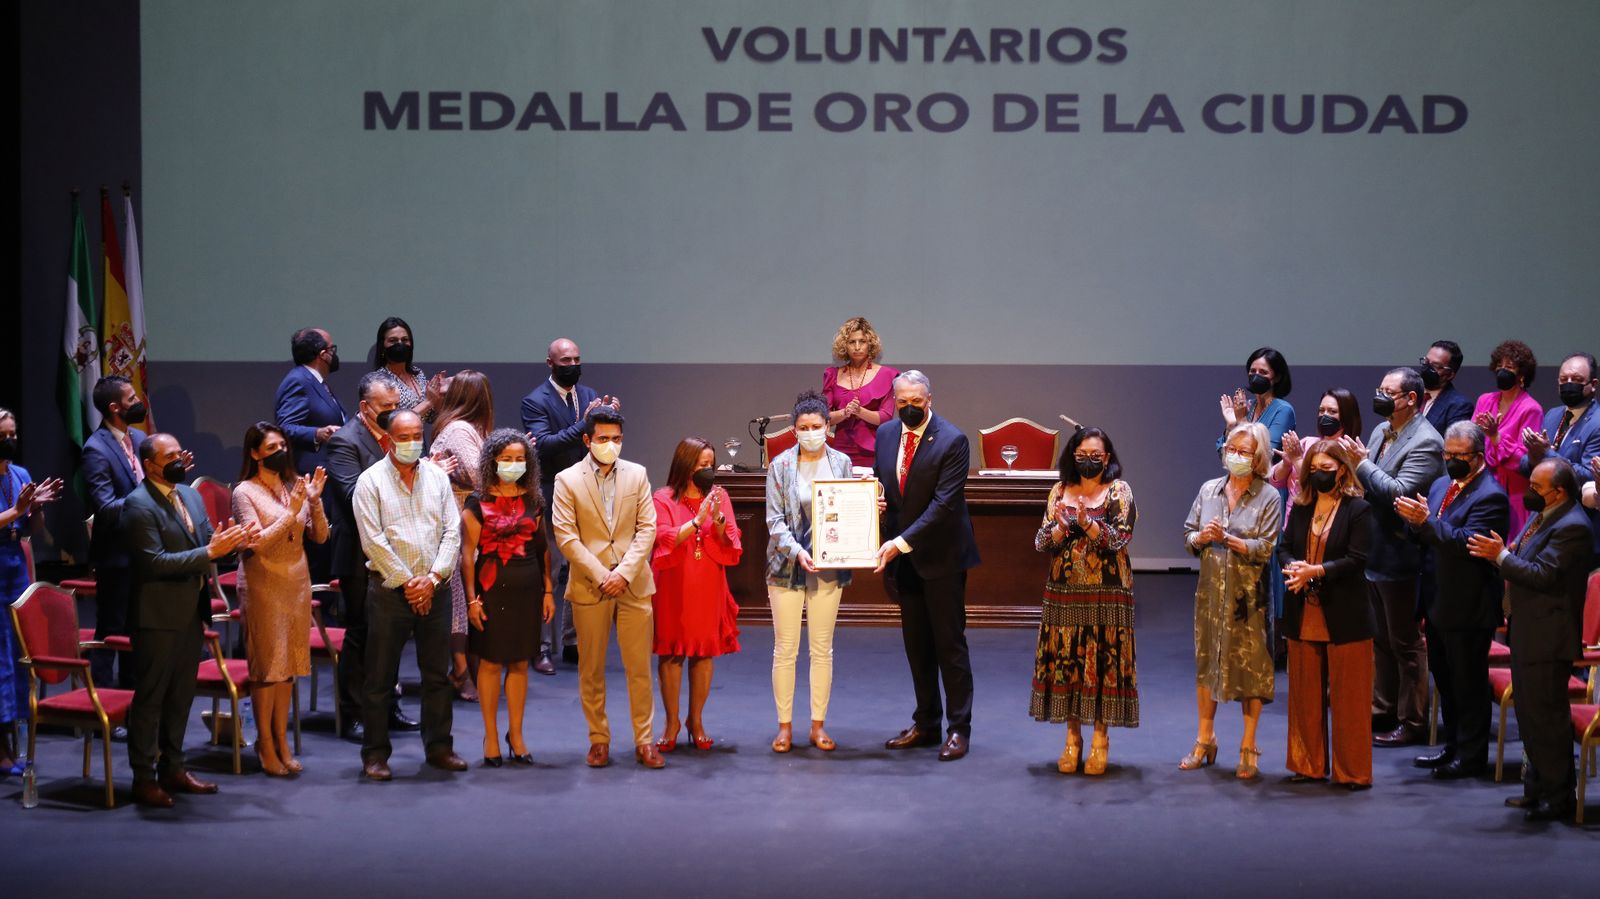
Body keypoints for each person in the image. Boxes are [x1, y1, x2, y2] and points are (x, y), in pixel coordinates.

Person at [123, 433, 259, 807]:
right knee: (152, 699)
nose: (178, 460)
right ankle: (143, 777)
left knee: (181, 695)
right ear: (149, 465)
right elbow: (154, 563)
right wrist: (210, 550)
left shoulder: (191, 495)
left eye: (179, 453)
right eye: (169, 456)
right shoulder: (137, 506)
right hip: (157, 616)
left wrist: (230, 542)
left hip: (190, 612)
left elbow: (207, 542)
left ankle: (174, 767)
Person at [1468, 458, 1596, 822]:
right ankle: (1536, 789)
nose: (1531, 492)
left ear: (1559, 492)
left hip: (1549, 636)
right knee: (1530, 716)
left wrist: (1502, 556)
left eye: (1537, 488)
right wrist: (1504, 554)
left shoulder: (1573, 527)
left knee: (1548, 720)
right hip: (1529, 631)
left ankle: (1558, 798)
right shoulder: (1546, 518)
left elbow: (1542, 575)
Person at [352, 410, 466, 781]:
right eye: (405, 436)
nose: (413, 441)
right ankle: (375, 754)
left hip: (436, 588)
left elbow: (452, 531)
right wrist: (410, 584)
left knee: (437, 675)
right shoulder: (370, 482)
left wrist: (431, 579)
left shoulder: (436, 477)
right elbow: (373, 542)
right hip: (390, 593)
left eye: (418, 434)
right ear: (388, 439)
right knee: (380, 678)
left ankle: (439, 747)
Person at [874, 370, 980, 762]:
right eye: (902, 402)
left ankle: (959, 729)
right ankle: (927, 722)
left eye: (916, 402)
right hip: (903, 561)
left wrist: (899, 543)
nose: (909, 408)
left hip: (942, 558)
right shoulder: (885, 435)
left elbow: (944, 505)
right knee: (916, 646)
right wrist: (877, 506)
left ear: (929, 399)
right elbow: (884, 488)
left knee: (949, 645)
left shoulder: (953, 440)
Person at [1395, 421, 1509, 780]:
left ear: (1477, 457)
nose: (1450, 460)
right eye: (1447, 453)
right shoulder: (1442, 484)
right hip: (1437, 599)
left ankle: (1472, 757)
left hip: (1468, 605)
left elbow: (1467, 544)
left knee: (1468, 685)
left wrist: (1425, 523)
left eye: (1458, 456)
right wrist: (1415, 525)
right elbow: (1428, 534)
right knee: (1445, 681)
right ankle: (1453, 747)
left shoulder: (1491, 495)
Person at [551, 407, 663, 769]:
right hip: (590, 584)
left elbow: (648, 528)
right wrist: (603, 575)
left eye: (616, 439)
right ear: (587, 440)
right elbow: (566, 537)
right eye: (603, 439)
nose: (610, 445)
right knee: (592, 670)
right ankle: (598, 739)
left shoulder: (638, 475)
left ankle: (644, 740)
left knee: (639, 669)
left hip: (632, 583)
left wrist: (624, 573)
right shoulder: (567, 480)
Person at [1337, 367, 1443, 748]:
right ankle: (1382, 707)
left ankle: (1412, 720)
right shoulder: (1382, 430)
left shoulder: (1427, 442)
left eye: (1388, 391)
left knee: (1405, 642)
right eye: (1379, 388)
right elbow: (1366, 484)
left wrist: (1362, 464)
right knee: (1379, 638)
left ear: (1411, 399)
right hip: (1373, 548)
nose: (1380, 396)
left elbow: (1398, 492)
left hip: (1401, 554)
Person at [1030, 427, 1138, 776]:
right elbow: (1042, 542)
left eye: (1096, 454)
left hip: (1107, 594)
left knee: (1103, 666)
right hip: (1064, 592)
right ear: (1072, 455)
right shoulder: (1059, 490)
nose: (1088, 459)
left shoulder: (1119, 491)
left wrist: (1086, 523)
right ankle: (1072, 739)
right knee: (1069, 663)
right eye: (1081, 453)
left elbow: (1119, 539)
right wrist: (1062, 527)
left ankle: (1100, 740)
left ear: (1107, 458)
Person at [1182, 422, 1281, 780]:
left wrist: (1230, 539)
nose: (1236, 456)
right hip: (1210, 594)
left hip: (1248, 598)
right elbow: (1188, 534)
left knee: (1251, 670)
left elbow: (1266, 548)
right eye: (1232, 449)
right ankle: (1204, 738)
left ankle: (1249, 744)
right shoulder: (1209, 490)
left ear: (1258, 459)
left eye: (1244, 451)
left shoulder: (1268, 496)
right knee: (1207, 663)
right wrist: (1202, 537)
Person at [230, 422, 329, 776]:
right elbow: (256, 543)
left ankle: (283, 740)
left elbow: (319, 536)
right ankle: (265, 744)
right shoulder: (245, 492)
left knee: (287, 668)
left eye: (282, 446)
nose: (279, 453)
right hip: (264, 583)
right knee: (268, 667)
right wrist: (291, 513)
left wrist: (313, 503)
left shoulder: (294, 486)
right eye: (271, 448)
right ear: (255, 453)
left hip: (297, 581)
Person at [324, 370, 417, 741]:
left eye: (397, 406)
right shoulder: (345, 443)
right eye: (386, 407)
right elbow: (352, 499)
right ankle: (353, 714)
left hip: (399, 550)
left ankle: (387, 708)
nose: (393, 413)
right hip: (359, 554)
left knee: (392, 635)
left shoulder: (397, 440)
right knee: (362, 635)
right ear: (365, 407)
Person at [765, 390, 856, 753]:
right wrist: (799, 552)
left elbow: (850, 512)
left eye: (817, 426)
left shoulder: (842, 463)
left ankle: (818, 725)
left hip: (829, 567)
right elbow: (774, 521)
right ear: (794, 429)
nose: (811, 431)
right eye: (803, 427)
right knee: (785, 649)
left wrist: (871, 509)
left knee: (822, 649)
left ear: (827, 427)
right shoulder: (780, 466)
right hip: (786, 565)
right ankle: (784, 726)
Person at [521, 337, 618, 674]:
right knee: (549, 570)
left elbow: (599, 440)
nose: (573, 365)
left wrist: (607, 417)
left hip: (587, 493)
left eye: (577, 358)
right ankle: (542, 648)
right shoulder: (534, 401)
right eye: (566, 360)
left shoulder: (589, 396)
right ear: (550, 363)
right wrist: (585, 424)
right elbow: (544, 446)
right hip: (550, 493)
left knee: (580, 567)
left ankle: (572, 642)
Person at [1280, 440, 1373, 790]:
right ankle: (1307, 765)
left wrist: (1314, 572)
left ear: (1343, 471)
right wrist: (1294, 568)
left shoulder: (1358, 509)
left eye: (1326, 470)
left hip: (1346, 614)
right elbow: (1284, 548)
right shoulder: (1302, 507)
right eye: (1314, 469)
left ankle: (1352, 772)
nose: (1319, 474)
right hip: (1303, 610)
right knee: (1304, 695)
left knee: (1350, 699)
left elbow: (1358, 559)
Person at [462, 429, 552, 768]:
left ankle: (516, 735)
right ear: (493, 461)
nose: (514, 465)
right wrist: (472, 600)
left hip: (528, 591)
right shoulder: (477, 501)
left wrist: (547, 591)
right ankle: (490, 735)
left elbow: (542, 549)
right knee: (491, 662)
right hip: (490, 592)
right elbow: (466, 555)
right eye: (506, 459)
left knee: (519, 662)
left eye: (519, 459)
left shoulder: (534, 500)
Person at [650, 437, 741, 753]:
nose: (707, 470)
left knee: (703, 651)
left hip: (707, 581)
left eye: (710, 464)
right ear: (685, 464)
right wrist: (697, 520)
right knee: (672, 651)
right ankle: (671, 721)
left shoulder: (720, 496)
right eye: (702, 464)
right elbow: (663, 536)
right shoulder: (663, 498)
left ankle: (696, 720)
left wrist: (716, 524)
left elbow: (730, 539)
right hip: (674, 581)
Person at [0, 409, 63, 774]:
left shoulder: (20, 474)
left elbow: (31, 530)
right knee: (1, 659)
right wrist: (17, 509)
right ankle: (2, 743)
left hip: (15, 570)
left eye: (13, 432)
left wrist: (36, 508)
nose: (10, 439)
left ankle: (18, 732)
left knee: (18, 653)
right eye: (3, 434)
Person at [431, 369, 497, 701]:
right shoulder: (459, 430)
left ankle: (465, 667)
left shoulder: (470, 429)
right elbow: (479, 476)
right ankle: (458, 671)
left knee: (465, 594)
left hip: (468, 522)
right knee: (458, 597)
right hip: (455, 522)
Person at [82, 375, 149, 691]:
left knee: (137, 630)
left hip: (144, 552)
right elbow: (106, 507)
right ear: (114, 407)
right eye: (132, 399)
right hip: (116, 556)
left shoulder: (136, 438)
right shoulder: (95, 449)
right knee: (111, 632)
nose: (138, 403)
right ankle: (103, 706)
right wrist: (150, 494)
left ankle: (132, 702)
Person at [1520, 352, 1600, 552]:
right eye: (1564, 380)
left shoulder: (1598, 423)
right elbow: (1526, 467)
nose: (1569, 384)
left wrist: (1547, 453)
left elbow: (1589, 477)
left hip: (1577, 523)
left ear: (1594, 384)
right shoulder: (1553, 414)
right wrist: (1533, 454)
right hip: (1543, 516)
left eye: (1577, 380)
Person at [1472, 339, 1542, 533]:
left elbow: (1525, 459)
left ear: (1522, 375)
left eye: (1509, 367)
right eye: (1499, 366)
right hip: (1483, 487)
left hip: (1514, 493)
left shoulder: (1531, 409)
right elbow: (1473, 440)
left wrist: (1496, 437)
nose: (1502, 371)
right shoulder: (1485, 400)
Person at [822, 316, 900, 468]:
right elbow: (824, 417)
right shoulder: (832, 375)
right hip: (841, 450)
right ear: (845, 345)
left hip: (875, 450)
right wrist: (845, 412)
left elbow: (885, 417)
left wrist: (859, 411)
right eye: (852, 342)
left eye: (862, 341)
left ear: (870, 344)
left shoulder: (887, 375)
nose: (857, 347)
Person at [1271, 388, 1362, 508]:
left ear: (1346, 416)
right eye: (1321, 410)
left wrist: (1297, 460)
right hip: (1292, 519)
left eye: (1332, 411)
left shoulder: (1350, 451)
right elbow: (1275, 481)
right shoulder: (1307, 442)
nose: (1325, 415)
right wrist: (1286, 464)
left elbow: (1321, 485)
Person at [273, 327, 346, 478]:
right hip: (311, 476)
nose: (334, 353)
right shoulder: (298, 381)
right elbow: (284, 427)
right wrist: (317, 433)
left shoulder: (316, 382)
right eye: (332, 348)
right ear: (323, 354)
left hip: (328, 472)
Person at [1216, 347, 1296, 453]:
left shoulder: (1283, 410)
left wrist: (1242, 421)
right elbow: (1223, 452)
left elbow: (1266, 454)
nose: (1256, 376)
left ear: (1277, 377)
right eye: (1253, 371)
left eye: (1263, 372)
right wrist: (1231, 425)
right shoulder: (1248, 406)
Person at [373, 316, 448, 422]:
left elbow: (431, 418)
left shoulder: (417, 374)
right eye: (393, 340)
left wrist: (438, 397)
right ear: (382, 346)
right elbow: (393, 422)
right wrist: (428, 402)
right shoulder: (379, 381)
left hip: (418, 437)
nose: (400, 344)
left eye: (405, 340)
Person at [1420, 340, 1473, 433]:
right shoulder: (1408, 394)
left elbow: (1454, 445)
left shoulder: (1459, 406)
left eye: (1435, 366)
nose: (1427, 367)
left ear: (1450, 374)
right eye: (1426, 361)